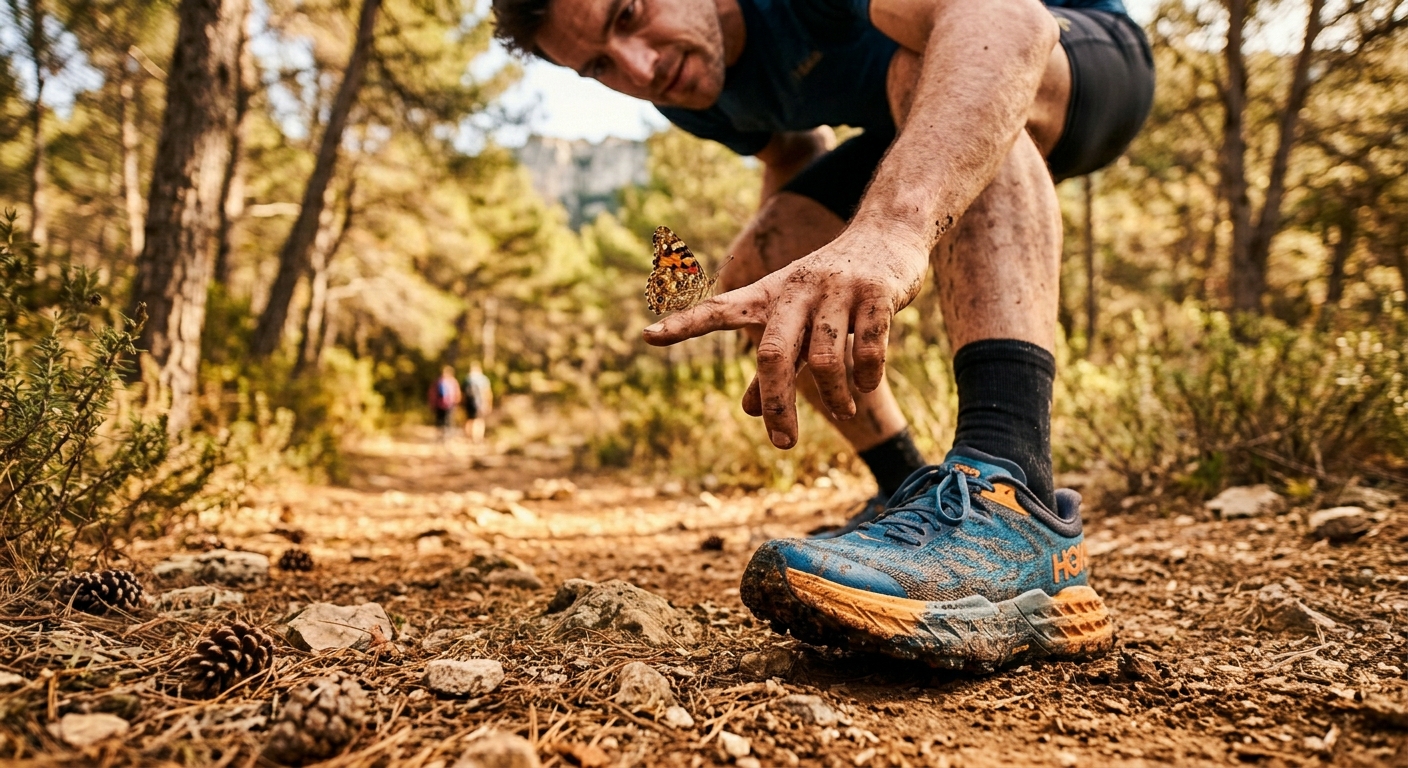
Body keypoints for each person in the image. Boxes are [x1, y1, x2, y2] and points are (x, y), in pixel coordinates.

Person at [491, 0, 1152, 667]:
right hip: (922, 104)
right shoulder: (689, 85)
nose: (641, 67)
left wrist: (892, 229)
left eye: (629, 13)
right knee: (760, 266)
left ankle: (1014, 493)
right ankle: (906, 489)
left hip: (1071, 53)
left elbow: (1005, 22)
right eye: (600, 64)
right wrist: (782, 282)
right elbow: (793, 148)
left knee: (922, 66)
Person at [462, 364, 494, 445]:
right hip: (481, 403)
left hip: (468, 403)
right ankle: (478, 438)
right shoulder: (483, 379)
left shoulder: (467, 379)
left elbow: (462, 394)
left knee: (469, 420)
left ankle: (468, 437)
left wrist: (462, 404)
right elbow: (488, 393)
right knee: (479, 420)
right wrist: (489, 404)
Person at [428, 366, 462, 440]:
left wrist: (432, 403)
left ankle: (440, 435)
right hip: (450, 404)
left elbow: (432, 393)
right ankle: (448, 435)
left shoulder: (438, 381)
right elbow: (457, 393)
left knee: (439, 419)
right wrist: (457, 403)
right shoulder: (453, 381)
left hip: (439, 404)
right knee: (449, 420)